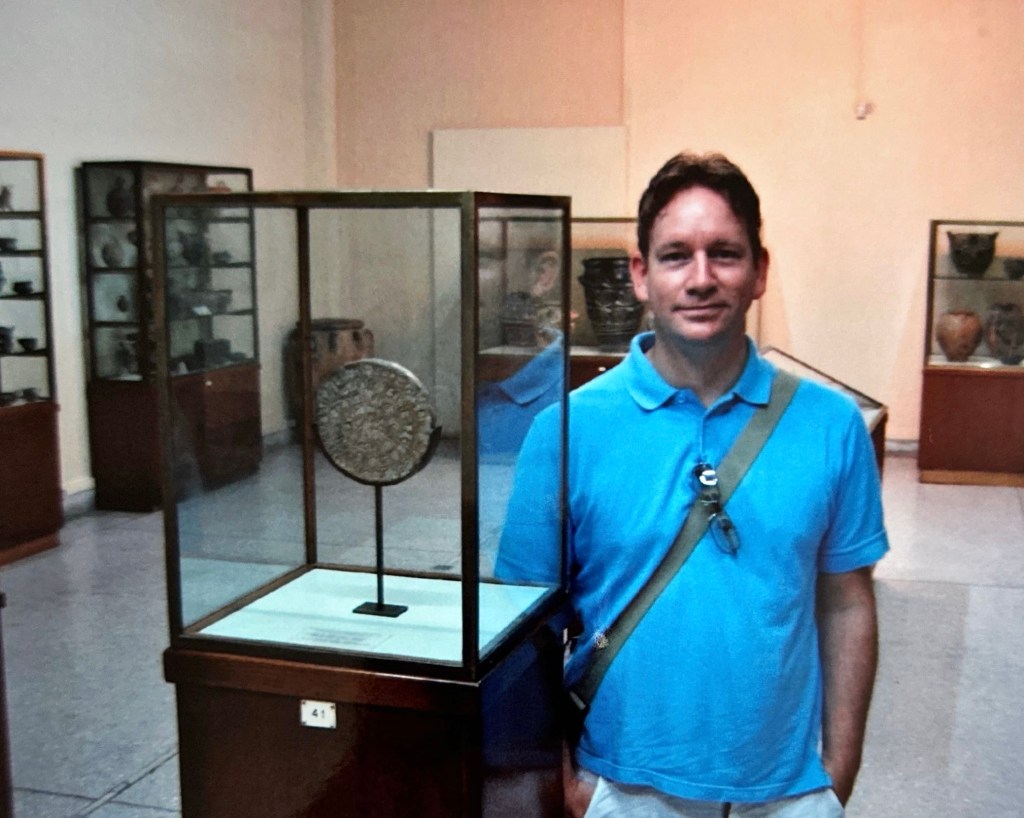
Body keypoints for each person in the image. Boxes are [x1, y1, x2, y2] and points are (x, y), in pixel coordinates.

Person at [495, 152, 887, 817]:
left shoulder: (830, 426)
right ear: (641, 275)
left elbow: (847, 602)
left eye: (724, 254)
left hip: (787, 790)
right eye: (676, 256)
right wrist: (565, 783)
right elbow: (523, 626)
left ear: (760, 272)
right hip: (622, 787)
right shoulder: (566, 432)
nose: (701, 279)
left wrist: (837, 771)